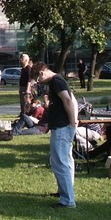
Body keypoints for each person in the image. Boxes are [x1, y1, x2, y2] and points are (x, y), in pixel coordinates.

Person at [31, 62, 78, 209]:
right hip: (61, 126)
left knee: (60, 162)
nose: (40, 82)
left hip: (62, 126)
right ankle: (64, 192)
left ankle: (67, 200)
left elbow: (68, 100)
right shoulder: (56, 81)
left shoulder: (57, 81)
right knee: (64, 161)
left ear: (41, 73)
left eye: (38, 79)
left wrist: (72, 122)